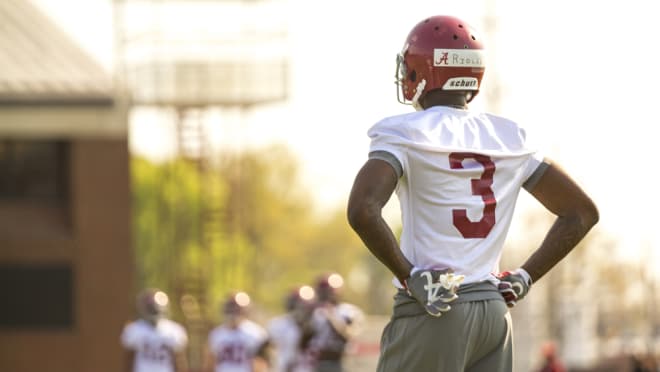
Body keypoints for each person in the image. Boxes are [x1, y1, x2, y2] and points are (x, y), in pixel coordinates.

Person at [346, 15, 599, 372]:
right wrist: (525, 277)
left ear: (423, 70)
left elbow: (363, 210)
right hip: (493, 314)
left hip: (435, 306)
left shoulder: (406, 132)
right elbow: (581, 212)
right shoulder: (508, 136)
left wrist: (410, 275)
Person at [120, 288, 189, 372]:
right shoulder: (134, 329)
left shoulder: (174, 330)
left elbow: (178, 360)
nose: (154, 311)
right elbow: (129, 358)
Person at [307, 273, 365, 372]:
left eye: (325, 292)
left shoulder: (348, 311)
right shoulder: (315, 312)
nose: (323, 295)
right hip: (318, 363)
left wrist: (330, 316)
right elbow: (305, 341)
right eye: (321, 292)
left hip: (341, 362)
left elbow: (348, 335)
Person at [205, 291, 270, 372]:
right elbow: (210, 362)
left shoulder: (256, 333)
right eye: (231, 306)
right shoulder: (216, 334)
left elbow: (261, 364)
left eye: (235, 307)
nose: (233, 310)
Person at [267, 285, 318, 372]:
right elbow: (267, 350)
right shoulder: (279, 324)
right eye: (295, 304)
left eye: (301, 305)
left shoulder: (319, 323)